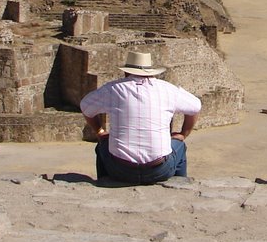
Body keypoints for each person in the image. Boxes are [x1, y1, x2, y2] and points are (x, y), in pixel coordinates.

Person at [80, 50, 202, 185]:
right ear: (151, 72)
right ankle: (181, 183)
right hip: (159, 169)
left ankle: (105, 182)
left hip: (120, 170)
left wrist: (100, 131)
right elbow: (195, 107)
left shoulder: (113, 89)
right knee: (179, 145)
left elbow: (85, 106)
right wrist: (183, 133)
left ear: (126, 72)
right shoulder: (168, 89)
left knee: (102, 145)